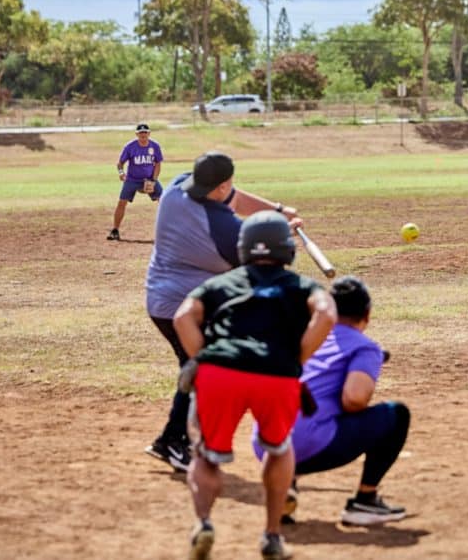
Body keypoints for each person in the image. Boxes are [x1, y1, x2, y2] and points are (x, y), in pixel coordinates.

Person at [173, 210, 336, 560]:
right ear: (286, 250)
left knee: (206, 455)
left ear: (244, 248)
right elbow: (327, 313)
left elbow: (183, 315)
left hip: (221, 374)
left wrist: (201, 359)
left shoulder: (220, 283)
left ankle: (203, 523)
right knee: (278, 449)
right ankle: (272, 536)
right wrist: (298, 360)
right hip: (276, 376)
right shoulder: (301, 285)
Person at [144, 151, 302, 473]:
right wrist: (283, 235)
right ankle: (174, 441)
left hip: (163, 299)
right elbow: (264, 263)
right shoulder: (222, 229)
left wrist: (276, 212)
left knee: (198, 366)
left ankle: (172, 439)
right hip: (184, 307)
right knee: (201, 368)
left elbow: (235, 198)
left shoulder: (177, 187)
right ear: (220, 185)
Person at [253, 275, 410, 526]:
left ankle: (285, 482)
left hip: (264, 444)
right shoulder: (364, 347)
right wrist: (369, 363)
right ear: (366, 315)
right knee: (396, 414)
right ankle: (365, 500)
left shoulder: (301, 337)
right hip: (308, 444)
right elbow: (354, 400)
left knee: (305, 408)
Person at [107, 123, 164, 241]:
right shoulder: (130, 147)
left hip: (149, 179)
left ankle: (171, 232)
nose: (143, 135)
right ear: (136, 134)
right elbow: (120, 163)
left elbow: (158, 163)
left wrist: (153, 179)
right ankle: (115, 230)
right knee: (122, 202)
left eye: (145, 132)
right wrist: (121, 173)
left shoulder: (155, 146)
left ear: (149, 133)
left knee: (164, 201)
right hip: (132, 179)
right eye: (140, 133)